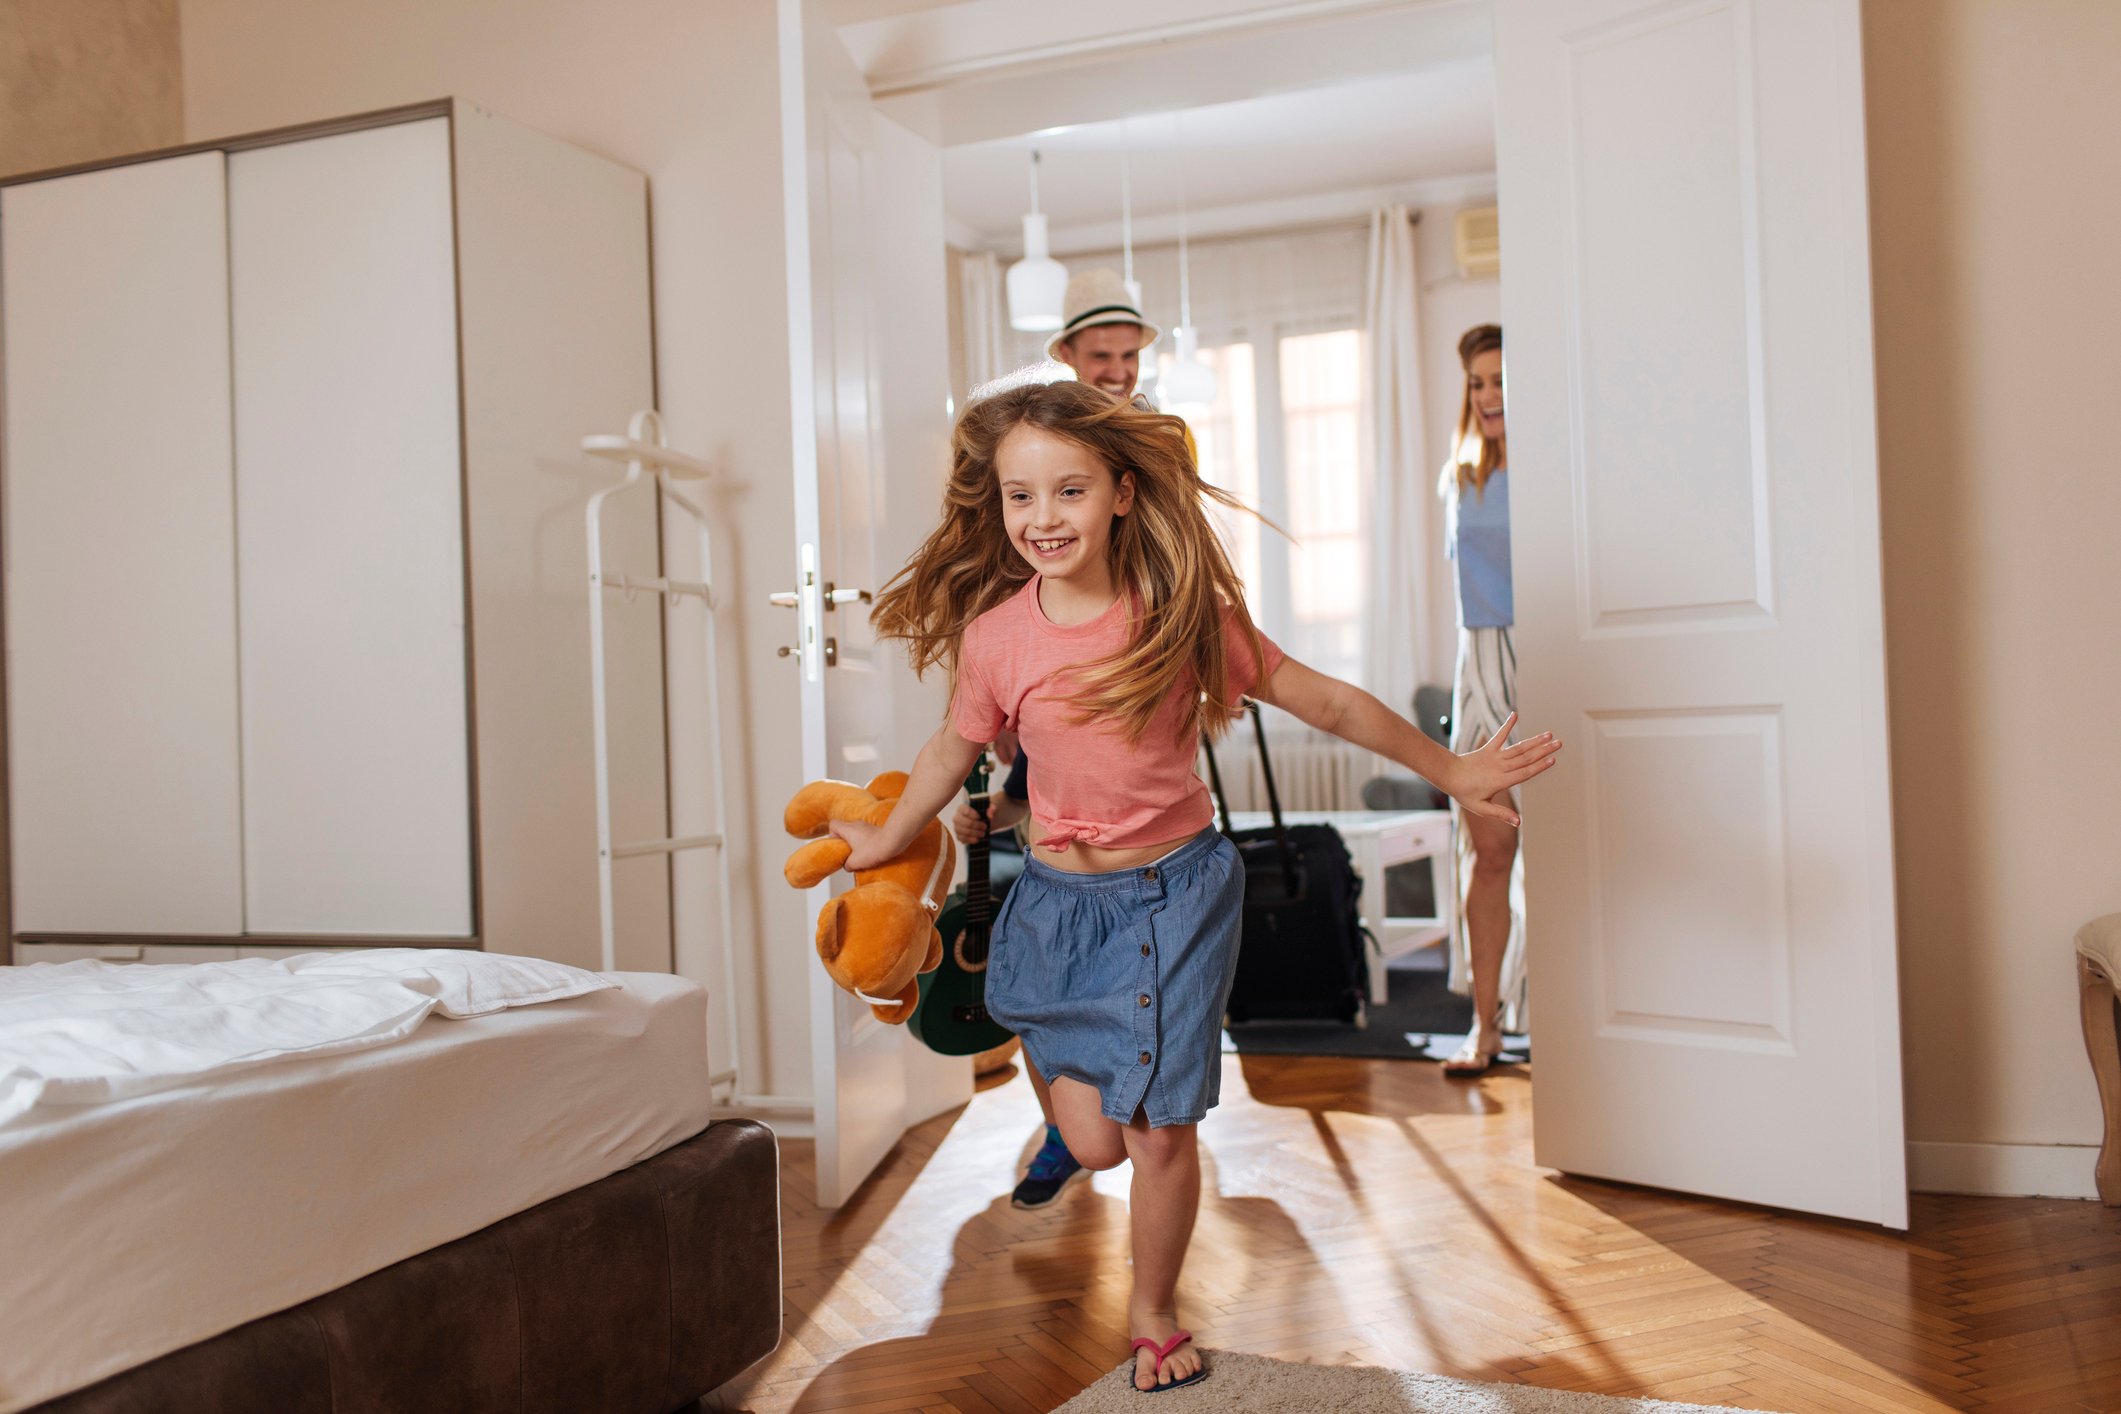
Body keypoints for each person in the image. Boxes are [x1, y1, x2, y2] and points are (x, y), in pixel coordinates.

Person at [831, 381, 1560, 1391]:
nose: (1043, 519)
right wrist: (889, 836)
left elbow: (1326, 699)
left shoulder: (1181, 616)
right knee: (1096, 1146)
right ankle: (1063, 1090)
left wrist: (1456, 771)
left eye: (1070, 491)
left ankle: (1153, 1311)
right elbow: (952, 750)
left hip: (1174, 895)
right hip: (1052, 902)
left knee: (1161, 1128)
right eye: (1019, 497)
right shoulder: (999, 637)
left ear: (1123, 493)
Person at [1437, 323, 1527, 1077]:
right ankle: (1485, 1026)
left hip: (1551, 654)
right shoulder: (1458, 475)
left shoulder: (1559, 464)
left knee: (1574, 857)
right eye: (1477, 382)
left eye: (1500, 379)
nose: (1488, 395)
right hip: (1481, 665)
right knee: (1488, 855)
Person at [948, 753, 1087, 1209]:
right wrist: (981, 819)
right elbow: (1016, 798)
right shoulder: (1035, 710)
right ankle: (1060, 1136)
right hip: (1052, 886)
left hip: (1142, 884)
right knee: (1032, 1007)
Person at [1045, 268, 1157, 403]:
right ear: (1067, 354)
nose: (1118, 374)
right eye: (1101, 356)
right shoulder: (1047, 422)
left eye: (1129, 355)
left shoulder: (1160, 422)